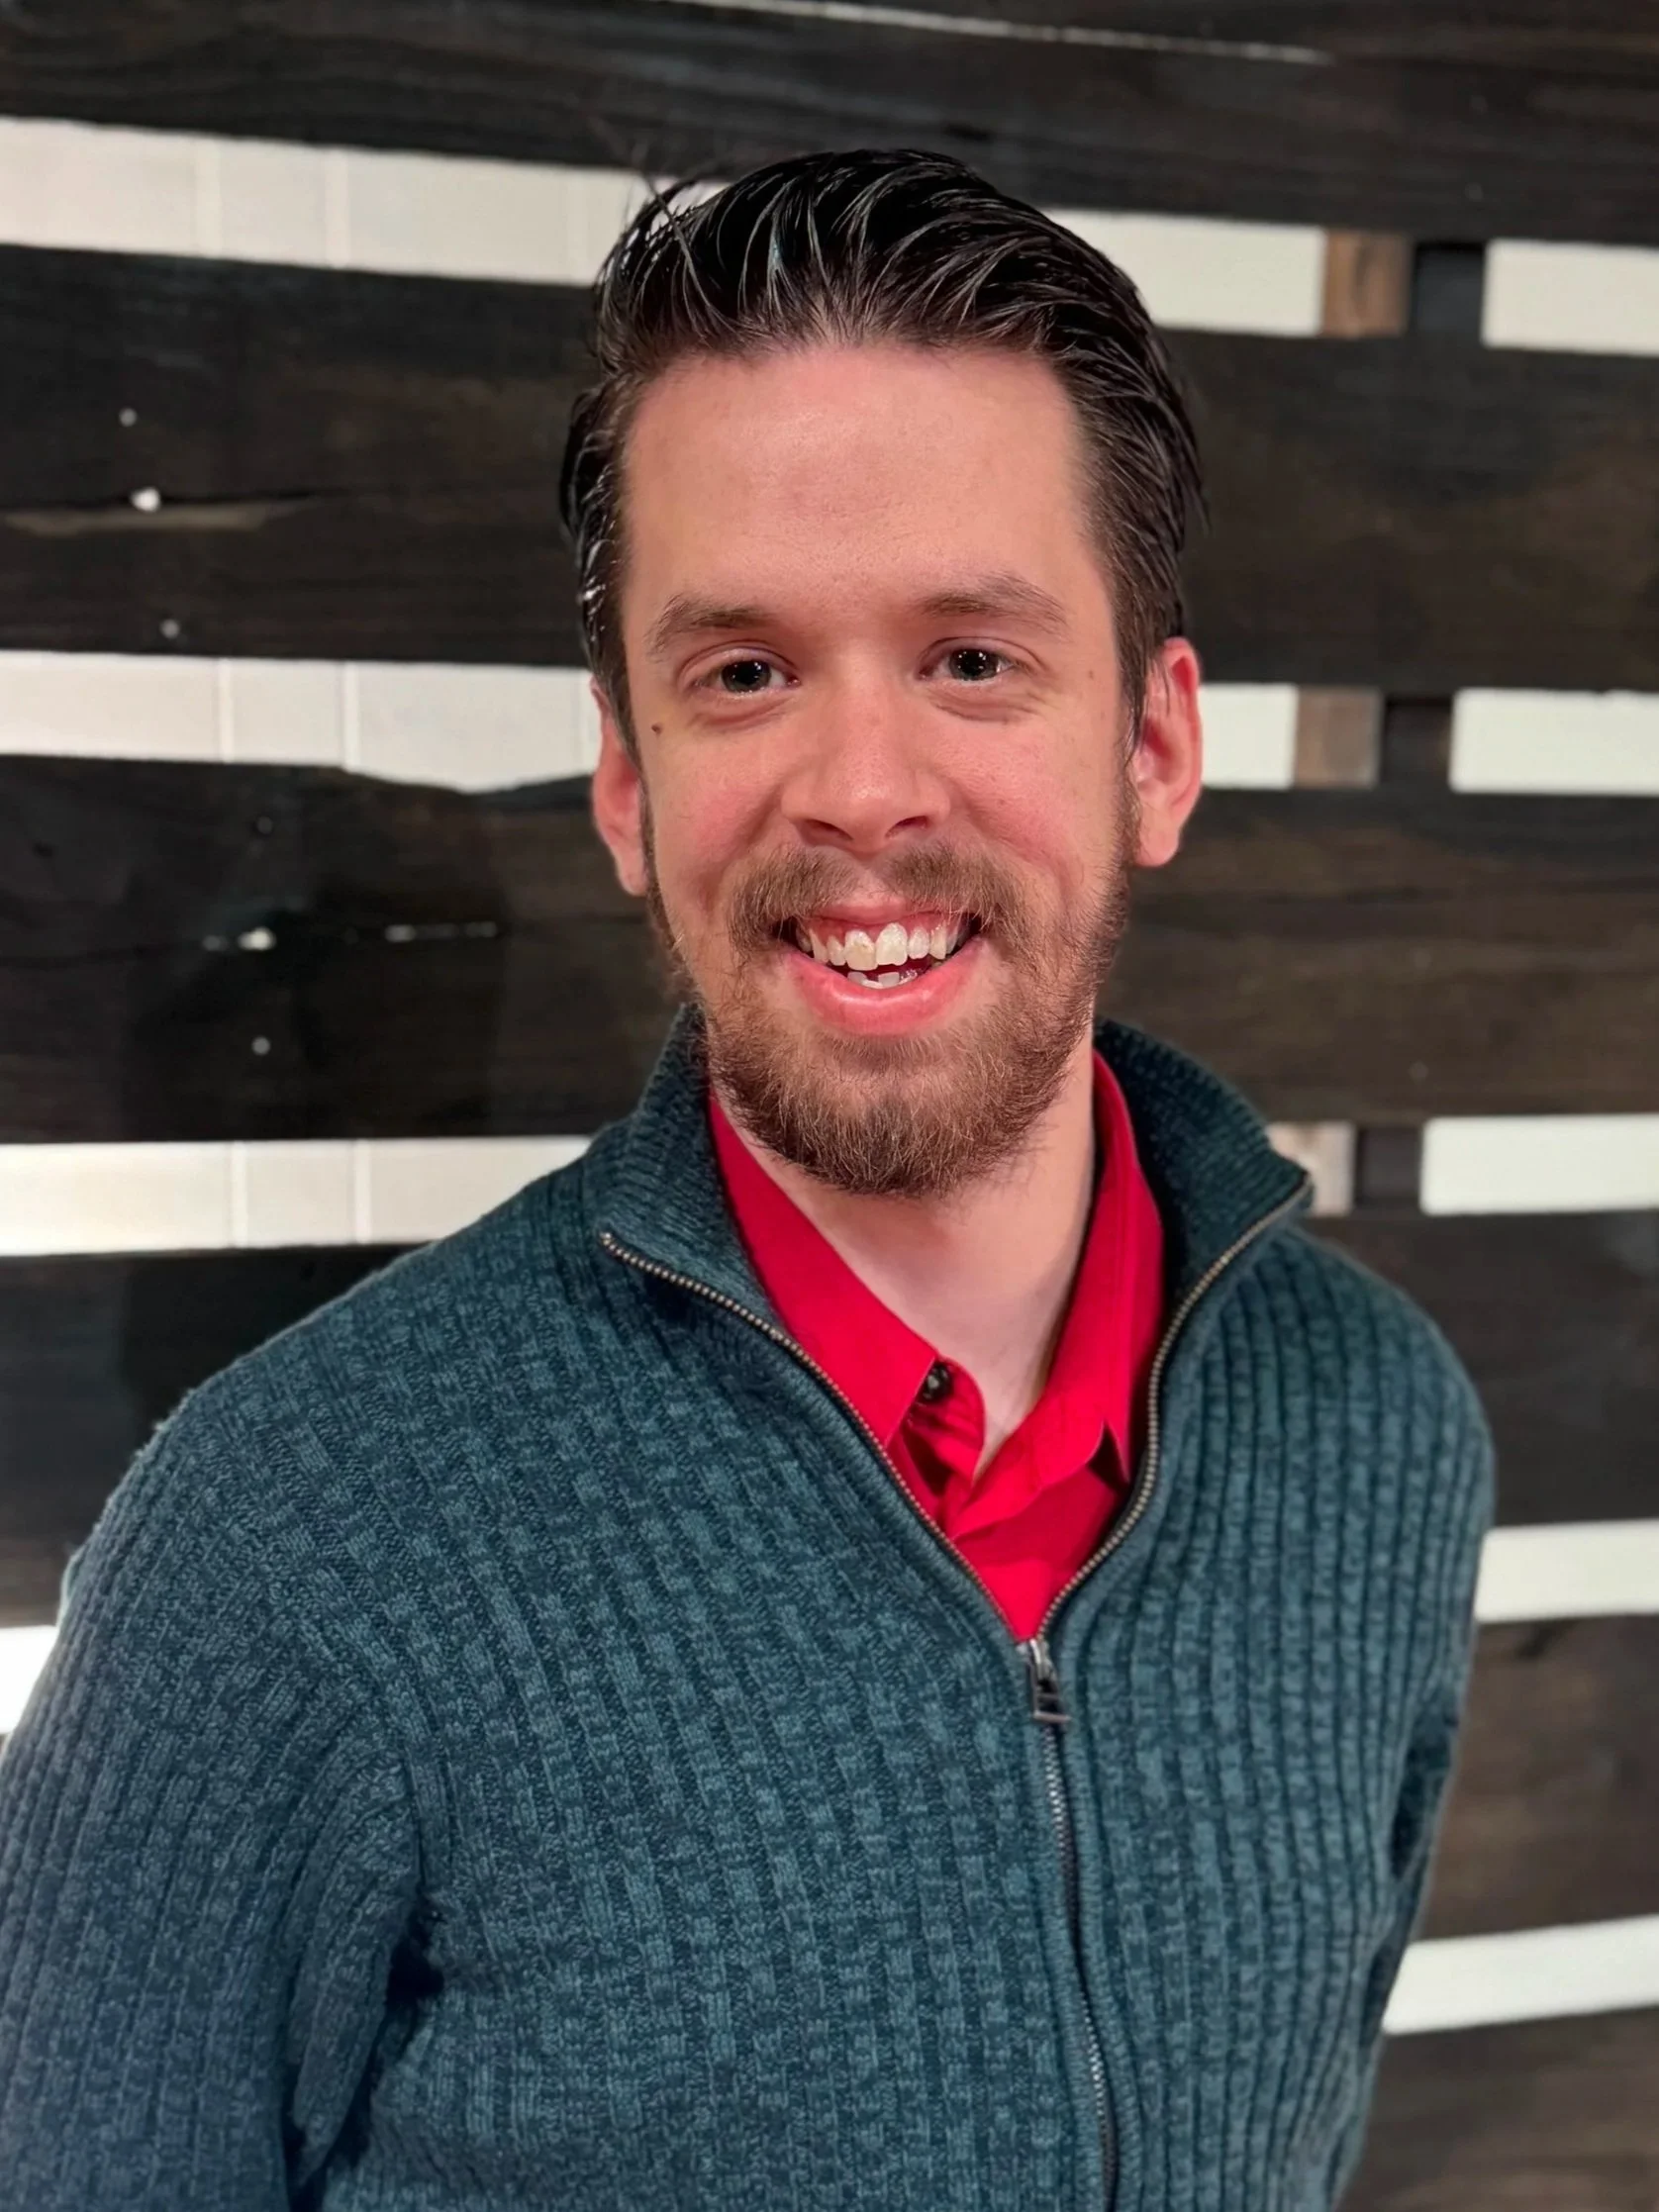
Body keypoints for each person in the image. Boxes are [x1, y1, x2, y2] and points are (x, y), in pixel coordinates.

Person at [0, 149, 1492, 2209]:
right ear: (628, 783)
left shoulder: (1380, 1435)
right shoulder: (282, 1551)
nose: (859, 790)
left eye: (973, 657)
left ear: (1152, 745)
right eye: (743, 672)